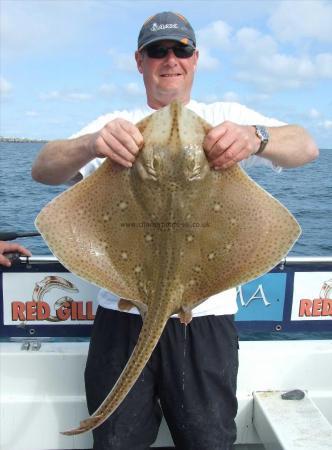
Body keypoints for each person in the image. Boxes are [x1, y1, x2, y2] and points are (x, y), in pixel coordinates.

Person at [32, 11, 318, 450]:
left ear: (195, 58)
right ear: (140, 61)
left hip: (203, 322)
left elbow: (306, 146)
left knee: (207, 440)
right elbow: (43, 169)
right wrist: (92, 144)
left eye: (181, 50)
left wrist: (255, 136)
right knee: (117, 443)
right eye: (157, 51)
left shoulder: (226, 116)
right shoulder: (118, 124)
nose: (171, 59)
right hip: (123, 319)